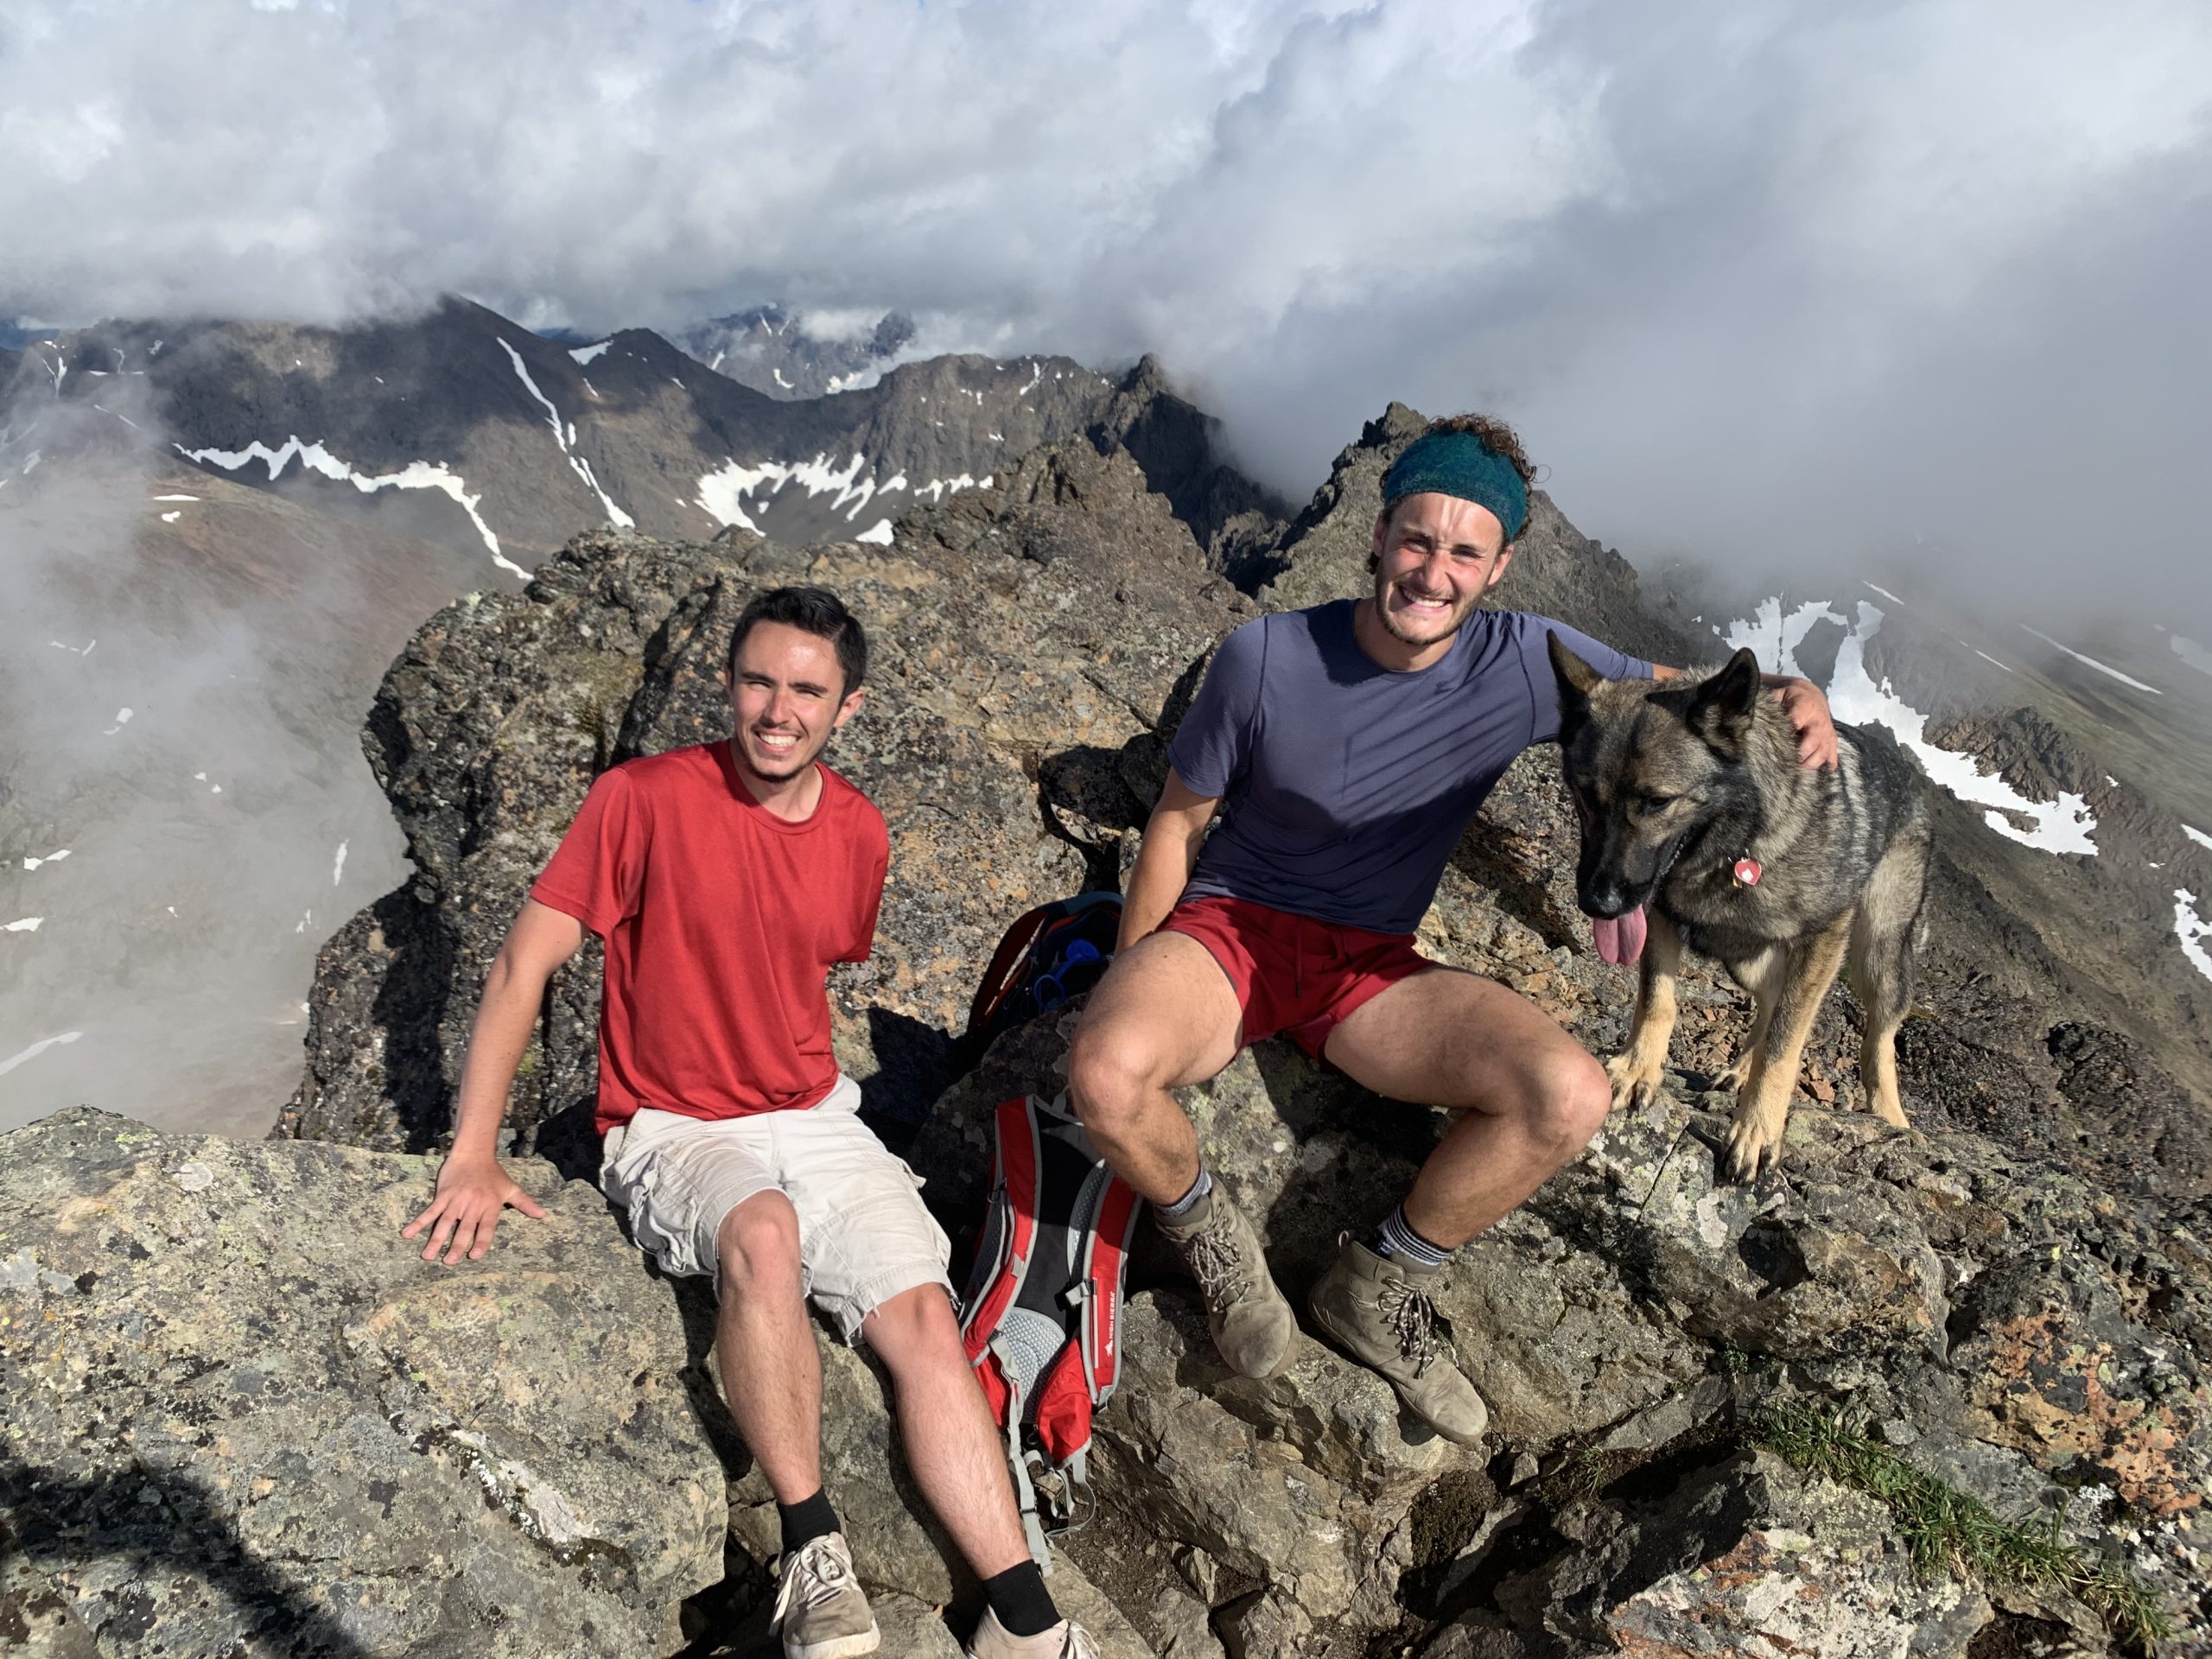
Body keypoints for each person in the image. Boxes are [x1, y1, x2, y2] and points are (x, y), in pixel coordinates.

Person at [1066, 416, 1838, 1444]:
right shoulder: (1265, 656)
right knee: (1106, 1077)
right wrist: (1135, 974)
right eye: (1417, 541)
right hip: (1232, 937)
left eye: (1463, 551)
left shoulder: (1526, 663)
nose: (1433, 572)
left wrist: (1799, 692)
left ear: (1499, 564)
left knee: (1569, 1095)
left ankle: (1376, 1285)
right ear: (1378, 535)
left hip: (1370, 973)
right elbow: (1177, 820)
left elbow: (1688, 700)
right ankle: (1213, 1240)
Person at [402, 587, 1095, 1659]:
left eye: (807, 690)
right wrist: (473, 1152)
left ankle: (1027, 1622)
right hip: (674, 1125)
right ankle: (813, 1553)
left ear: (846, 708)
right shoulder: (639, 799)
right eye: (760, 681)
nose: (779, 709)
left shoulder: (858, 831)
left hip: (816, 1114)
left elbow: (802, 959)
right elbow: (520, 964)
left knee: (920, 1323)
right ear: (728, 684)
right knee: (761, 1233)